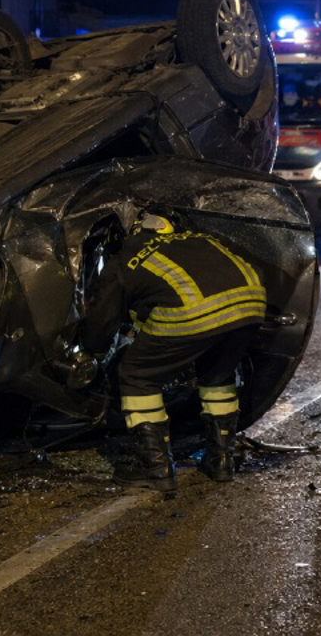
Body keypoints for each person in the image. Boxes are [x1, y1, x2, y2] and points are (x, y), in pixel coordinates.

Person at [80, 208, 267, 492]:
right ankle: (221, 461)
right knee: (217, 375)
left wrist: (92, 354)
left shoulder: (125, 258)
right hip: (250, 306)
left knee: (136, 374)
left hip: (193, 312)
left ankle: (155, 468)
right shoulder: (200, 239)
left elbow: (102, 320)